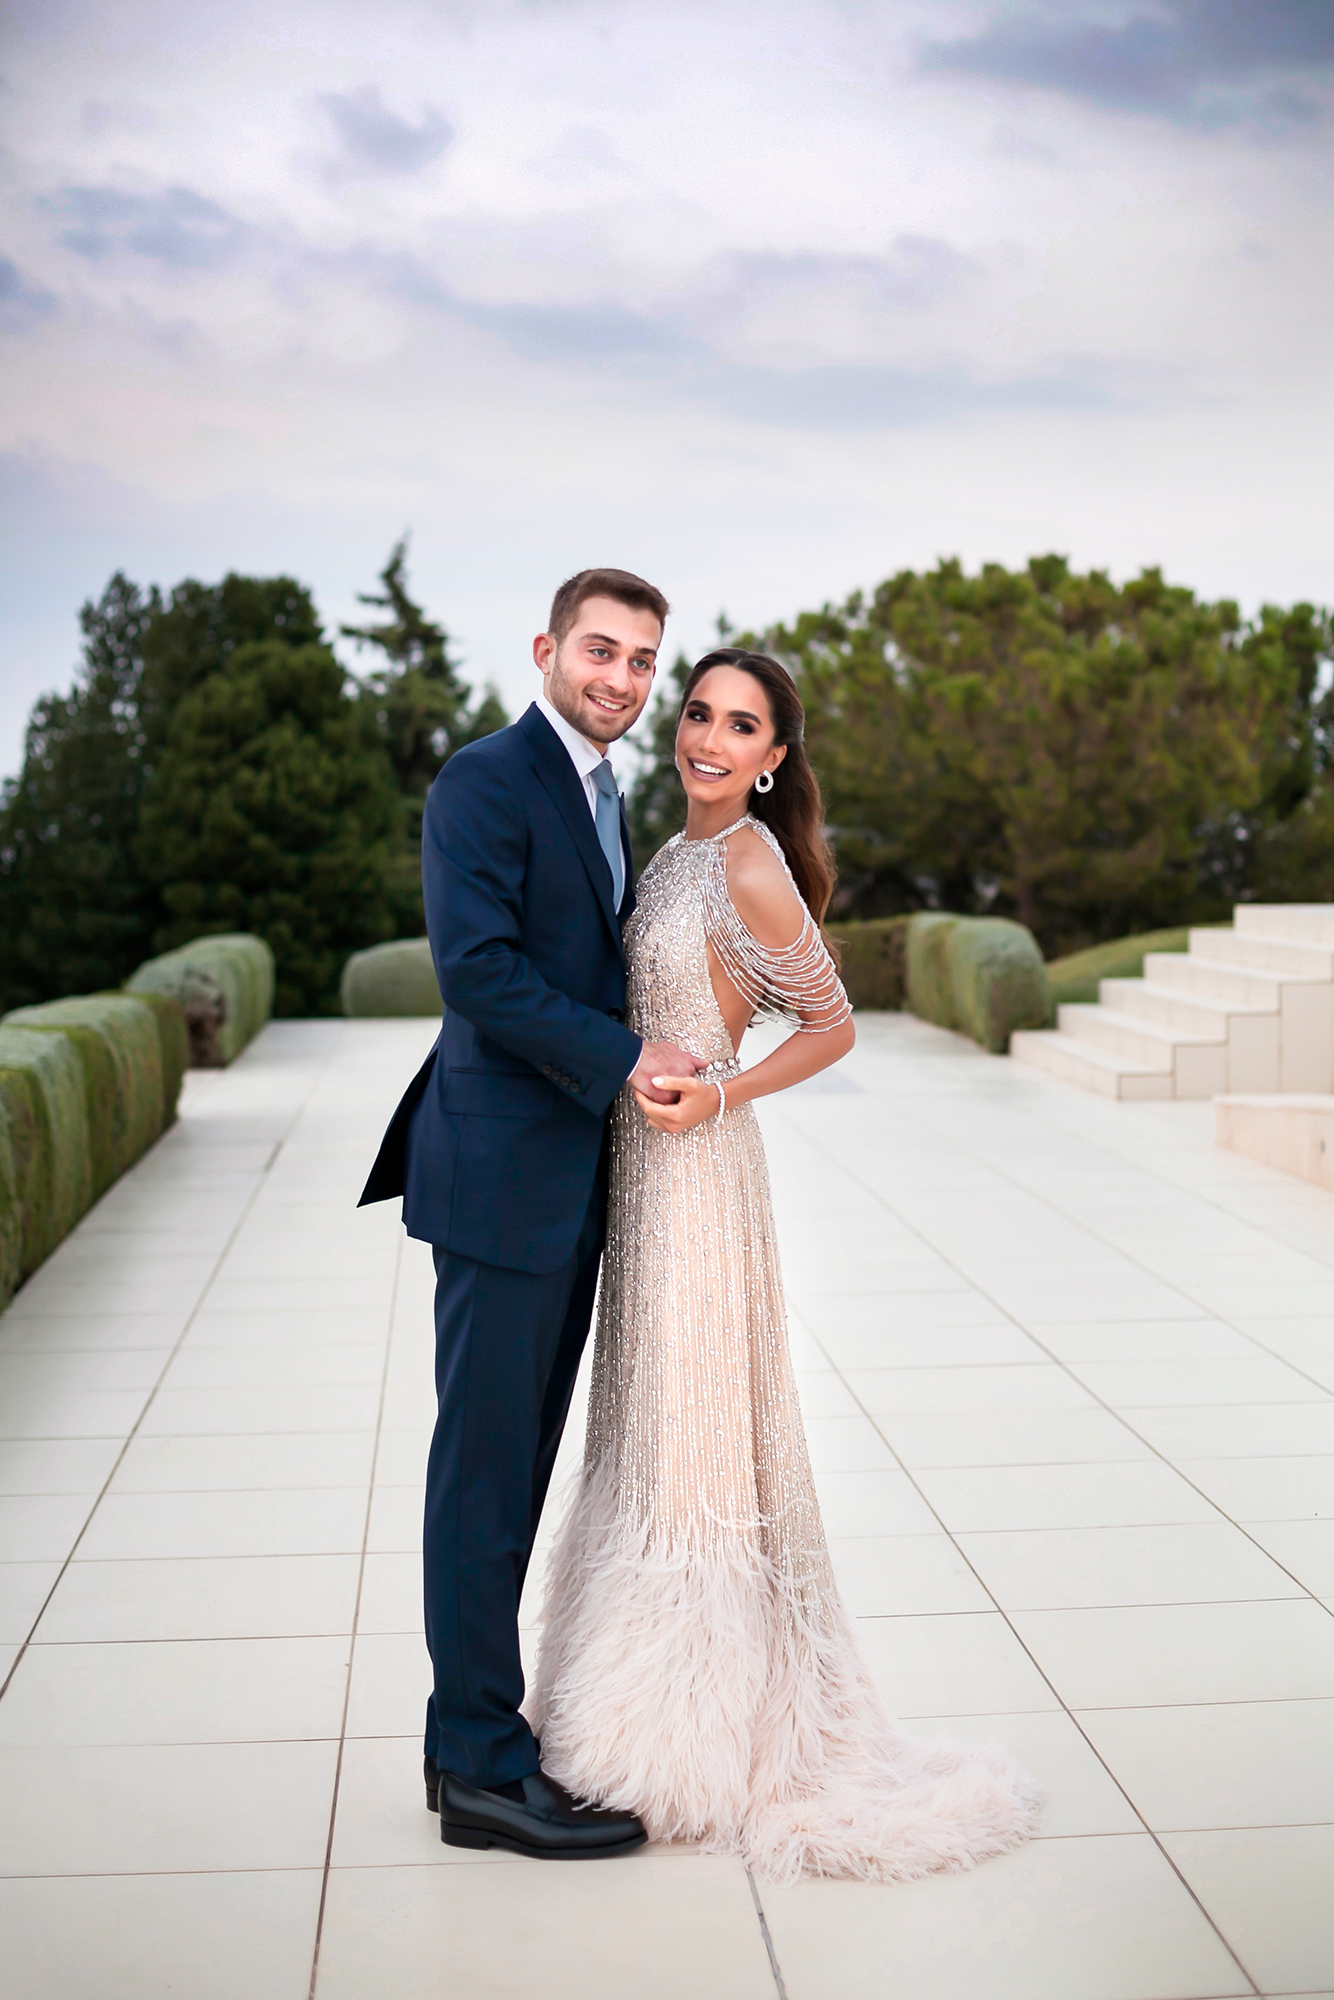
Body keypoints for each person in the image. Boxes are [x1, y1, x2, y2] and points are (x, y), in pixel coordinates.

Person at [527, 647, 1040, 1883]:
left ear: (771, 758)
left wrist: (721, 1092)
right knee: (648, 1432)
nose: (707, 738)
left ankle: (686, 1744)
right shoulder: (671, 851)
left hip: (700, 1177)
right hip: (639, 1176)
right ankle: (629, 1706)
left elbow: (832, 1021)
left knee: (697, 1441)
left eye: (739, 725)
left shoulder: (748, 861)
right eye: (697, 712)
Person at [359, 567, 704, 1860]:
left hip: (569, 1185)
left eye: (642, 660)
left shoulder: (605, 792)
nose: (621, 678)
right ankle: (480, 1768)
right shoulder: (484, 781)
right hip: (501, 1180)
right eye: (600, 650)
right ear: (547, 648)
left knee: (512, 1471)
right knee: (483, 1478)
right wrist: (627, 1056)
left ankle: (470, 1738)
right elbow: (480, 973)